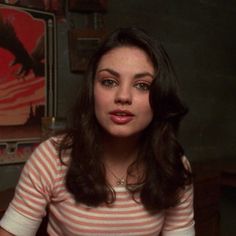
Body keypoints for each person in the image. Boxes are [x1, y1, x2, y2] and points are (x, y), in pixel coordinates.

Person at [0, 27, 195, 235]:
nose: (123, 96)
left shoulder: (173, 165)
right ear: (92, 90)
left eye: (142, 85)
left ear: (161, 96)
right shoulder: (52, 158)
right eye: (109, 82)